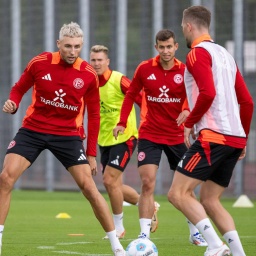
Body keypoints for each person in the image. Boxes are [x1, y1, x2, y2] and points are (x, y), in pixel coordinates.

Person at [0, 22, 125, 256]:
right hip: (33, 130)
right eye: (67, 46)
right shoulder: (40, 63)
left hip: (67, 135)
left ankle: (117, 246)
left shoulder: (88, 74)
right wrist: (14, 103)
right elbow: (19, 88)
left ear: (81, 46)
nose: (72, 51)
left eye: (77, 46)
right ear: (59, 44)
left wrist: (91, 154)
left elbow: (94, 115)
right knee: (5, 178)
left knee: (89, 187)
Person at [168, 6, 254, 256]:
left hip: (214, 137)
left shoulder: (196, 53)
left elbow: (208, 93)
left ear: (189, 27)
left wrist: (188, 123)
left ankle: (216, 246)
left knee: (177, 193)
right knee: (209, 199)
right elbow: (247, 102)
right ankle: (239, 253)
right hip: (235, 138)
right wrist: (244, 137)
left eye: (183, 27)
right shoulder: (226, 55)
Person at [113, 29, 207, 246]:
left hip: (177, 136)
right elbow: (130, 95)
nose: (166, 51)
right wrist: (121, 122)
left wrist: (187, 111)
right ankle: (144, 236)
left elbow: (196, 95)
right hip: (150, 134)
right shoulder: (145, 68)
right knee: (147, 183)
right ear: (157, 47)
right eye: (161, 47)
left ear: (176, 47)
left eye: (169, 46)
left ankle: (195, 232)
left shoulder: (186, 71)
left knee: (186, 188)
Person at [89, 45, 160, 239]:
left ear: (107, 61)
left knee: (108, 180)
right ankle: (148, 205)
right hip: (104, 140)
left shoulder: (118, 79)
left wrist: (149, 122)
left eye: (99, 60)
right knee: (115, 187)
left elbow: (141, 98)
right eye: (93, 60)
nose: (96, 63)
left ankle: (118, 228)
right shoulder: (90, 83)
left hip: (125, 137)